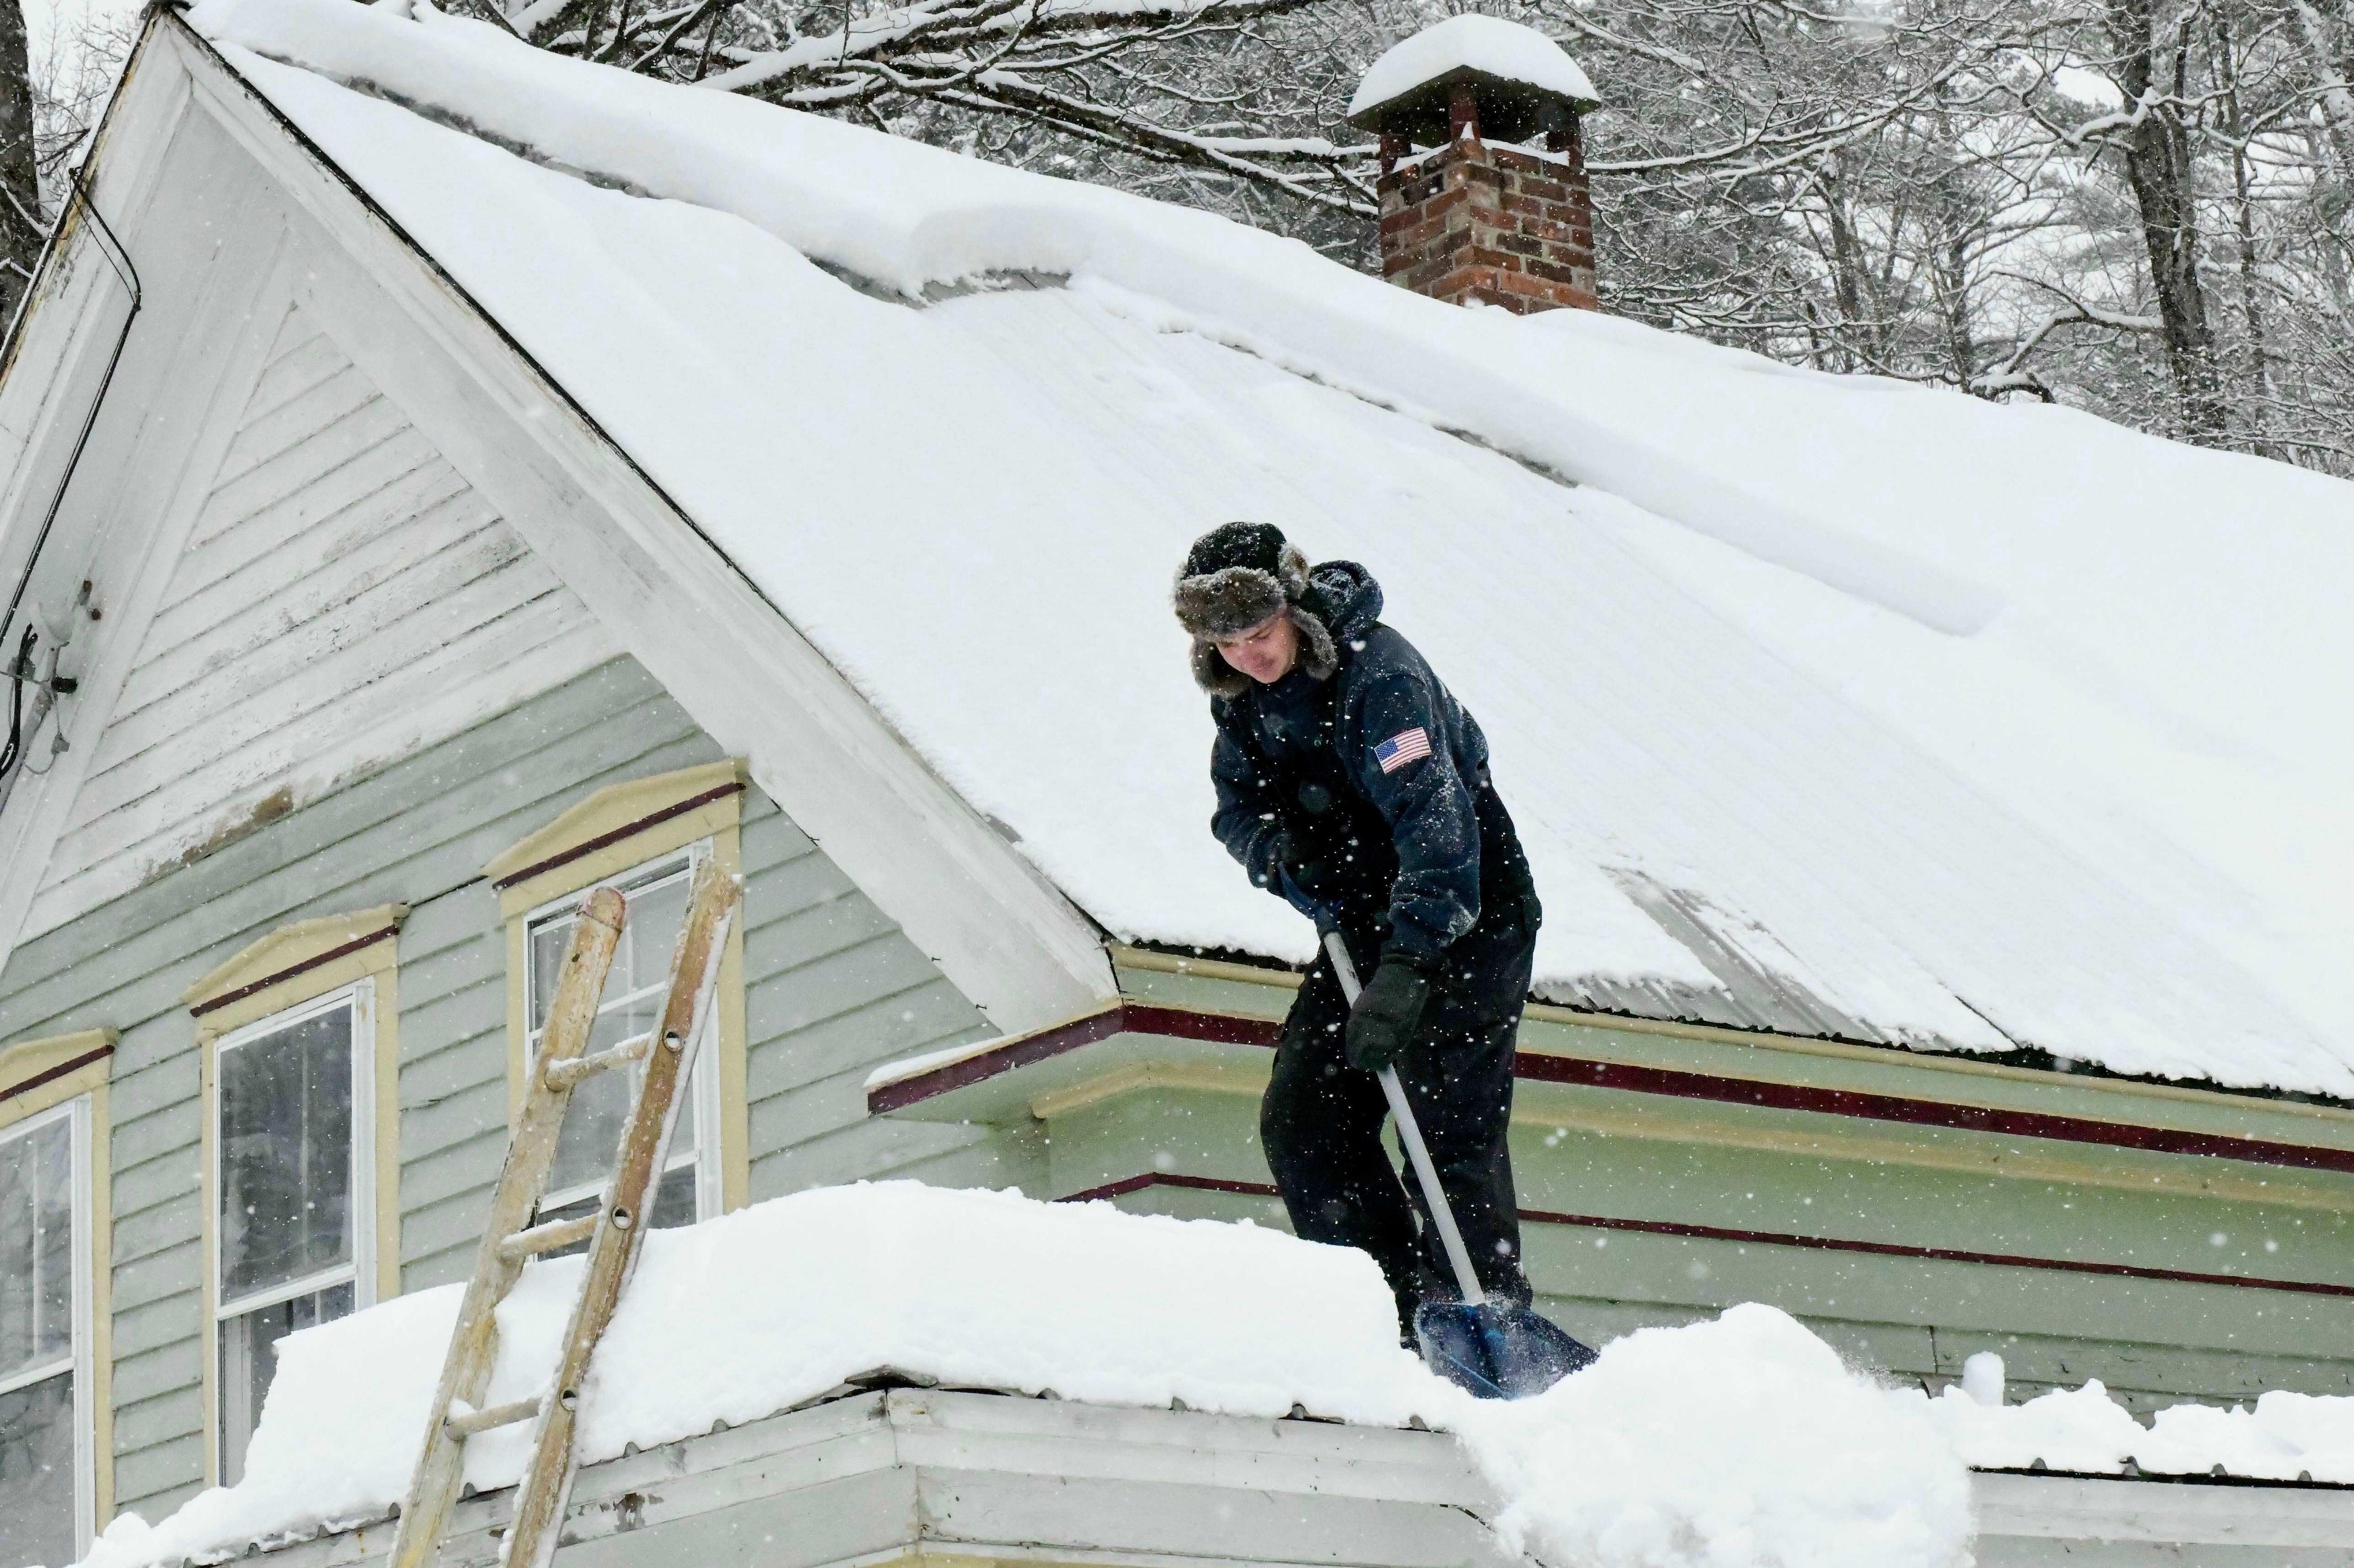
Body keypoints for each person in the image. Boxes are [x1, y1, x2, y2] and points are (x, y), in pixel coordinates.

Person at [1171, 521, 1543, 1337]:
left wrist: (1411, 964)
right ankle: (1393, 1319)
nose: (1248, 656)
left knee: (1445, 1124)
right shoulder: (1241, 697)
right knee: (1306, 1122)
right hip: (1362, 922)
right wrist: (1282, 854)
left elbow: (1436, 824)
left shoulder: (1381, 676)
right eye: (1226, 643)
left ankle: (1483, 1318)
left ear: (1294, 610)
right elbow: (1236, 810)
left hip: (1468, 911)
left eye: (1259, 633)